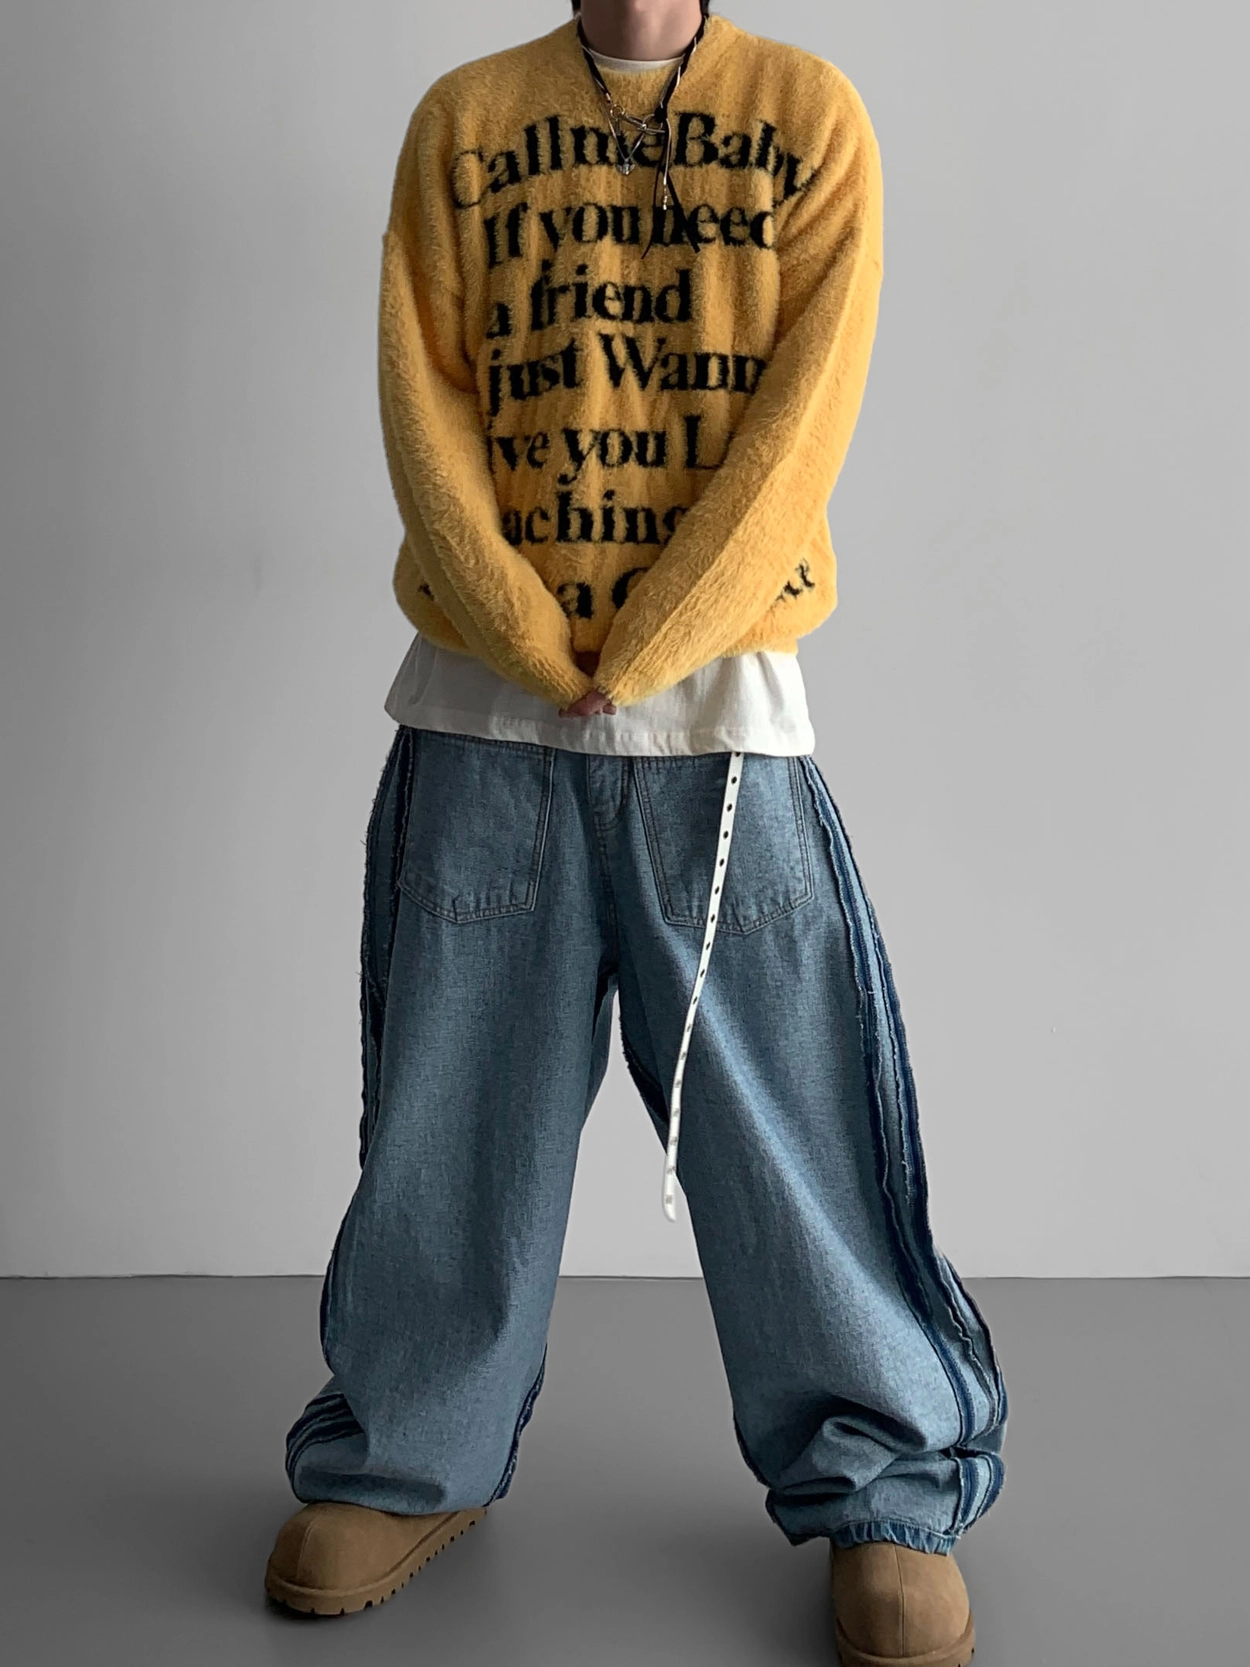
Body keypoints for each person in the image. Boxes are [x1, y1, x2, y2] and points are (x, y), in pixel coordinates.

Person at [263, 3, 1007, 1661]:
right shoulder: (465, 119)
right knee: (453, 1111)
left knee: (787, 1121)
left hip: (719, 719)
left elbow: (801, 420)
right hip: (486, 706)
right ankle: (408, 1450)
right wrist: (534, 637)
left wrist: (655, 633)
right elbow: (422, 397)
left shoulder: (804, 115)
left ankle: (881, 1481)